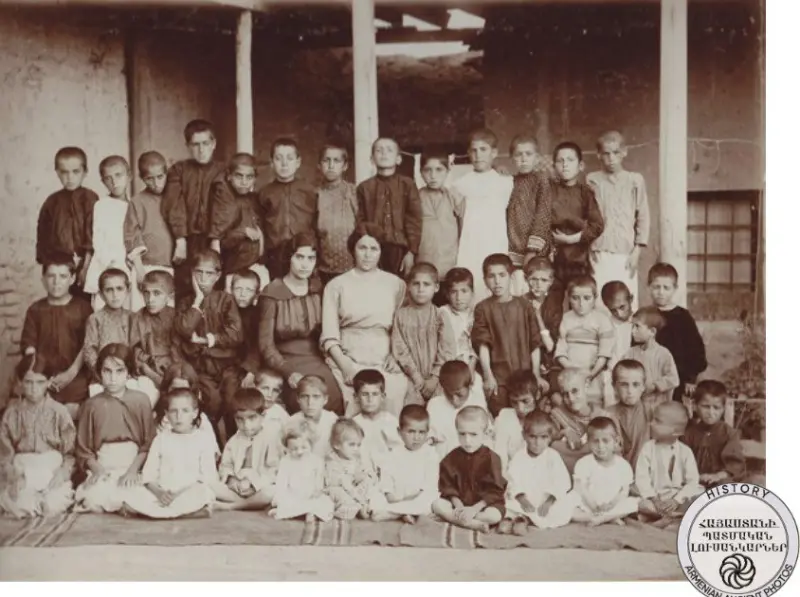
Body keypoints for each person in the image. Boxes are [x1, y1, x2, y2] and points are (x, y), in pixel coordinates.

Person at [321, 224, 409, 416]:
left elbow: (402, 328)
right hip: (349, 356)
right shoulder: (336, 285)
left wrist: (396, 356)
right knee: (356, 400)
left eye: (373, 249)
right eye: (362, 248)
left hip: (384, 357)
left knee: (393, 393)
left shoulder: (396, 284)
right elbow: (329, 335)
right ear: (353, 250)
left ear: (381, 251)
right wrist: (345, 365)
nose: (368, 254)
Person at [259, 233, 343, 415]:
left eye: (311, 258)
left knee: (333, 396)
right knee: (305, 398)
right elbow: (266, 345)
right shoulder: (272, 292)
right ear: (289, 258)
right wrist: (288, 372)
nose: (305, 264)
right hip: (284, 360)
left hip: (316, 357)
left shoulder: (318, 289)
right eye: (299, 257)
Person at [74, 344, 156, 513]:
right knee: (92, 496)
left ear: (128, 373)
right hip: (104, 466)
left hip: (132, 466)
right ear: (99, 372)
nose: (113, 378)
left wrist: (132, 471)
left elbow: (148, 444)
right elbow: (84, 450)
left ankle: (127, 503)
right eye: (107, 371)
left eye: (119, 371)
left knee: (140, 496)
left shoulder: (141, 401)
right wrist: (98, 470)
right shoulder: (91, 405)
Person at [174, 249, 243, 433]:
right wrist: (197, 301)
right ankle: (213, 445)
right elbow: (185, 329)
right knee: (211, 403)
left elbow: (236, 334)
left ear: (217, 276)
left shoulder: (226, 300)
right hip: (202, 368)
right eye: (199, 272)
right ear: (192, 273)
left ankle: (233, 443)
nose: (203, 279)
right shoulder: (186, 302)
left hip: (227, 366)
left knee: (232, 402)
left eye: (209, 273)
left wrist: (207, 340)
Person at [122, 388, 218, 519]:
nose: (179, 416)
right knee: (132, 492)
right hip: (161, 493)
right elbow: (149, 475)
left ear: (195, 413)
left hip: (188, 492)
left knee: (204, 493)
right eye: (173, 411)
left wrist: (179, 494)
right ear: (166, 414)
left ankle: (157, 513)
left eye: (185, 411)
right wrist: (159, 493)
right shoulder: (161, 439)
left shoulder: (203, 439)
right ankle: (183, 513)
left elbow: (208, 477)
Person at [0, 355, 76, 518]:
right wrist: (13, 476)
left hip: (51, 470)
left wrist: (62, 473)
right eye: (28, 382)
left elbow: (70, 454)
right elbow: (5, 454)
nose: (34, 388)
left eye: (40, 382)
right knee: (17, 501)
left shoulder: (59, 412)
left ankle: (43, 503)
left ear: (49, 382)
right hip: (22, 471)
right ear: (20, 382)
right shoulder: (12, 414)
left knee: (54, 503)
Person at [161, 119, 226, 301]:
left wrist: (216, 238)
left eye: (205, 143)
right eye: (195, 145)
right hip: (187, 239)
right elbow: (174, 204)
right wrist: (180, 239)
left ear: (214, 144)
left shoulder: (223, 171)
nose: (201, 150)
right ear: (188, 146)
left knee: (215, 288)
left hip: (216, 239)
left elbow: (224, 207)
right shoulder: (178, 170)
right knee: (186, 287)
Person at [21, 260, 94, 420]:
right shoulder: (35, 310)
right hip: (43, 377)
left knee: (70, 412)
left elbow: (88, 344)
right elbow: (29, 347)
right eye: (51, 276)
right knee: (40, 413)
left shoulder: (83, 308)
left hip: (75, 376)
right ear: (43, 279)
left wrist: (70, 373)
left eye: (62, 276)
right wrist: (40, 378)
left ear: (72, 279)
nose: (56, 282)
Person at [473, 253, 542, 417]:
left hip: (525, 375)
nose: (497, 281)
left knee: (528, 415)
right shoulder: (482, 308)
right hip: (499, 378)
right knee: (502, 414)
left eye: (502, 275)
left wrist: (536, 374)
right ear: (485, 280)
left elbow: (535, 343)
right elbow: (483, 344)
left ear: (511, 277)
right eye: (491, 276)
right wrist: (488, 375)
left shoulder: (524, 306)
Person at [587, 131, 650, 310]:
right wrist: (589, 247)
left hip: (626, 253)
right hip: (600, 251)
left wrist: (637, 251)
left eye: (615, 153)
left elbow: (643, 215)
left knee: (625, 302)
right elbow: (586, 215)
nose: (611, 159)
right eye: (606, 154)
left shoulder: (634, 180)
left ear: (624, 152)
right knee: (600, 302)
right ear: (599, 155)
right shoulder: (592, 180)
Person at [454, 128, 514, 301]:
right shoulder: (459, 184)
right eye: (474, 150)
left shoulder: (506, 182)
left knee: (497, 287)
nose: (478, 155)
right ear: (468, 153)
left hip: (496, 243)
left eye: (483, 149)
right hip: (470, 245)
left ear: (494, 152)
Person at [432, 406, 506, 533]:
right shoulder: (451, 457)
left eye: (473, 434)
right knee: (437, 505)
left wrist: (474, 510)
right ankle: (472, 524)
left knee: (494, 516)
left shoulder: (493, 459)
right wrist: (459, 507)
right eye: (462, 434)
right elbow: (448, 487)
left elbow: (495, 491)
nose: (467, 440)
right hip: (458, 504)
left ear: (485, 433)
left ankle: (456, 519)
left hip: (482, 506)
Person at [36, 146, 97, 300]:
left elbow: (94, 236)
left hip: (87, 266)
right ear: (57, 172)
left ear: (85, 172)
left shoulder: (90, 199)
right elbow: (43, 237)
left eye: (75, 172)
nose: (70, 177)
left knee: (85, 305)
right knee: (61, 305)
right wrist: (51, 269)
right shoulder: (52, 202)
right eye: (64, 172)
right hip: (60, 270)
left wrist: (86, 267)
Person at [355, 137, 422, 276]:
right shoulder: (364, 187)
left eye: (389, 150)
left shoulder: (407, 185)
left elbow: (414, 220)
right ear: (372, 159)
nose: (384, 153)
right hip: (372, 248)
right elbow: (360, 219)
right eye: (379, 150)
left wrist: (411, 252)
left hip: (400, 249)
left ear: (398, 159)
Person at [392, 262, 456, 405]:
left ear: (436, 287)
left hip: (438, 378)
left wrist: (435, 377)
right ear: (408, 286)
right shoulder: (401, 315)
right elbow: (400, 349)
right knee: (411, 409)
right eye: (416, 284)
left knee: (439, 407)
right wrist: (416, 378)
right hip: (410, 377)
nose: (421, 289)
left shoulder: (440, 315)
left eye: (426, 284)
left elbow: (447, 349)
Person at [548, 142, 604, 304]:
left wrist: (571, 239)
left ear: (580, 166)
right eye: (560, 161)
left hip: (578, 260)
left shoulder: (585, 193)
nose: (565, 165)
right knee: (551, 306)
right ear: (554, 166)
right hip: (552, 259)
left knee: (580, 304)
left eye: (570, 160)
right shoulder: (548, 190)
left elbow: (597, 225)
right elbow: (539, 219)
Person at [499, 411, 572, 534]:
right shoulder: (519, 456)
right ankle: (516, 519)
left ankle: (524, 519)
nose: (538, 443)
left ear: (550, 437)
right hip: (523, 498)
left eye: (543, 437)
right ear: (524, 435)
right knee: (507, 502)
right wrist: (522, 499)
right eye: (533, 437)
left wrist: (549, 502)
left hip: (545, 499)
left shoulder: (552, 456)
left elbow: (562, 481)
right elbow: (512, 481)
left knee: (565, 505)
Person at [258, 137, 317, 281]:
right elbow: (260, 225)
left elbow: (317, 222)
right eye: (279, 158)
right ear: (272, 163)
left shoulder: (310, 191)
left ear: (298, 162)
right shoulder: (264, 193)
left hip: (303, 253)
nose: (284, 163)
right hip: (275, 254)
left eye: (289, 158)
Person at [635, 402, 703, 527]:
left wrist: (676, 500)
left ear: (675, 431)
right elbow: (641, 478)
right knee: (638, 503)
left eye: (657, 421)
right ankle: (667, 517)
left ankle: (665, 517)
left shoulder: (685, 451)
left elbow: (692, 481)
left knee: (700, 496)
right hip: (654, 499)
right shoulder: (648, 448)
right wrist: (654, 499)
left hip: (677, 499)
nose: (651, 423)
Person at [369, 405, 440, 524]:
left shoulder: (430, 454)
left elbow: (429, 484)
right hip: (396, 496)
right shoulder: (393, 453)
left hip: (417, 496)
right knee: (375, 494)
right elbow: (386, 479)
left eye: (421, 432)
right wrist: (389, 494)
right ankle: (403, 512)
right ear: (399, 432)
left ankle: (393, 513)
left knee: (429, 500)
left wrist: (408, 498)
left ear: (427, 433)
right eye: (411, 432)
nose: (416, 437)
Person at [215, 388, 282, 511]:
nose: (246, 425)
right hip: (237, 488)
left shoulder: (271, 438)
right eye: (240, 419)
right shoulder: (233, 441)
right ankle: (248, 503)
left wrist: (254, 485)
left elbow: (274, 471)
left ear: (263, 416)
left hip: (259, 487)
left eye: (252, 418)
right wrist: (231, 480)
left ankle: (235, 505)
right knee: (212, 487)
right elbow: (225, 466)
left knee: (271, 492)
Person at [649, 263, 707, 402]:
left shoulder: (682, 316)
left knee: (673, 409)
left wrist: (690, 378)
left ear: (675, 289)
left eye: (666, 288)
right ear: (648, 287)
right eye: (656, 287)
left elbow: (695, 348)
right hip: (650, 377)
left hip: (677, 377)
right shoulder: (645, 314)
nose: (661, 292)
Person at [209, 153, 268, 290]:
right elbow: (221, 240)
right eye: (239, 176)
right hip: (236, 269)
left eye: (249, 177)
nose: (244, 181)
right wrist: (243, 232)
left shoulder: (254, 200)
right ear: (229, 176)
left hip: (256, 265)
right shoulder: (225, 200)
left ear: (255, 178)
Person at [554, 275, 614, 406]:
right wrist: (573, 371)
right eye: (575, 298)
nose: (581, 304)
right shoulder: (566, 319)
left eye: (587, 298)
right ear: (569, 298)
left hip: (593, 374)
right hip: (570, 373)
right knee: (571, 402)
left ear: (595, 298)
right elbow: (561, 351)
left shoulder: (602, 319)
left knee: (593, 404)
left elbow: (604, 353)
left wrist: (591, 374)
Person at [84, 155, 135, 311]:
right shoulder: (101, 206)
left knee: (129, 312)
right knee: (104, 311)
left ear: (129, 175)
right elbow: (98, 242)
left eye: (118, 175)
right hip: (107, 267)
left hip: (130, 268)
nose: (114, 182)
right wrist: (112, 264)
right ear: (103, 182)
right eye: (108, 178)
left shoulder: (134, 206)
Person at [124, 151, 174, 304]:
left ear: (166, 173)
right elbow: (131, 235)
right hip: (146, 267)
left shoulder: (175, 197)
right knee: (143, 308)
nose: (156, 183)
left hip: (172, 267)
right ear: (141, 178)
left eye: (160, 177)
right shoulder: (137, 201)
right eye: (149, 179)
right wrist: (140, 270)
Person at [568, 417, 639, 526]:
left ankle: (604, 518)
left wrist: (611, 505)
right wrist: (593, 506)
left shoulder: (623, 465)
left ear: (616, 441)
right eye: (595, 441)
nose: (600, 446)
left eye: (606, 441)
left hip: (613, 506)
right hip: (588, 506)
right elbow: (581, 489)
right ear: (588, 442)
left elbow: (623, 492)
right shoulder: (583, 463)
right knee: (568, 501)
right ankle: (602, 517)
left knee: (634, 502)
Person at [506, 134, 552, 296]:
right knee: (516, 291)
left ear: (537, 158)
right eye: (519, 155)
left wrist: (532, 250)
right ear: (512, 158)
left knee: (535, 291)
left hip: (534, 251)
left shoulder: (542, 181)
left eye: (528, 154)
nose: (524, 159)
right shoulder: (509, 182)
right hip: (513, 248)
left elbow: (543, 215)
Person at [416, 151, 465, 305]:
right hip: (424, 263)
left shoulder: (454, 196)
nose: (433, 175)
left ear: (447, 171)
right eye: (427, 170)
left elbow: (463, 228)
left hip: (449, 263)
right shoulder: (416, 197)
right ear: (421, 172)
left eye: (439, 170)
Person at [220, 269, 263, 436]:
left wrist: (251, 370)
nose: (243, 294)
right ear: (231, 290)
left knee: (234, 398)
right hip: (225, 363)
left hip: (244, 366)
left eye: (249, 290)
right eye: (238, 289)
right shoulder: (224, 312)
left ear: (256, 294)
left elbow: (257, 345)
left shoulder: (256, 315)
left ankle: (239, 435)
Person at [681, 380, 746, 488]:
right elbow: (682, 462)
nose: (711, 413)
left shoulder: (729, 434)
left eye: (716, 408)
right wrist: (696, 477)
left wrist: (718, 476)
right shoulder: (688, 434)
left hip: (720, 481)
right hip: (695, 480)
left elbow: (735, 465)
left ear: (723, 409)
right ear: (695, 406)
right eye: (706, 406)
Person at [550, 368, 616, 472]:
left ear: (586, 385)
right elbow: (548, 445)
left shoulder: (605, 416)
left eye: (575, 391)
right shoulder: (557, 414)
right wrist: (564, 432)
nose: (571, 398)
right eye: (565, 394)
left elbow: (615, 450)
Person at [129, 270, 180, 397]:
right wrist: (149, 372)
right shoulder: (138, 318)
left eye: (157, 293)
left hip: (173, 370)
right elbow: (135, 351)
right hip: (147, 371)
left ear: (170, 296)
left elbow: (179, 355)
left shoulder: (176, 317)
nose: (150, 299)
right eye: (146, 293)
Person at [623, 306, 680, 420]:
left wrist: (655, 385)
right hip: (636, 407)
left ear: (652, 332)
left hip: (657, 406)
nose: (633, 331)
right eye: (632, 326)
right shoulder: (631, 353)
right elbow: (622, 371)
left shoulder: (663, 354)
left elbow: (674, 379)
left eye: (637, 327)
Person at [82, 268, 133, 395]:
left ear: (128, 290)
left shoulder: (133, 317)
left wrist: (130, 372)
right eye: (109, 290)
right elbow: (89, 351)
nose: (115, 295)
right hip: (103, 377)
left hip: (128, 375)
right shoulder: (95, 319)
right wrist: (102, 375)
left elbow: (137, 347)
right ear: (101, 294)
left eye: (119, 289)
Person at [268, 426, 334, 522]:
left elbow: (319, 481)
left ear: (311, 445)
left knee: (325, 502)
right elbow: (281, 483)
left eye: (304, 447)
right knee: (285, 502)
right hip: (293, 495)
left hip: (310, 495)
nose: (299, 451)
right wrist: (281, 498)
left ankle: (307, 512)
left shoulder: (316, 461)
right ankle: (297, 512)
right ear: (287, 448)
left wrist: (317, 491)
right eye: (294, 449)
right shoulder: (286, 461)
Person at [427, 360, 489, 459]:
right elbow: (429, 440)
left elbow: (486, 436)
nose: (454, 400)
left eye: (460, 395)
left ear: (470, 386)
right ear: (442, 388)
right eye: (449, 394)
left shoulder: (477, 402)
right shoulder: (434, 405)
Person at [316, 143, 357, 285]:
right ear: (319, 165)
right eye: (326, 160)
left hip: (352, 265)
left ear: (345, 166)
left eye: (336, 161)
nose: (331, 165)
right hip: (324, 267)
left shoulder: (353, 193)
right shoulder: (315, 195)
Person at [438, 267, 483, 395]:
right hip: (447, 365)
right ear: (447, 294)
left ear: (472, 293)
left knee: (476, 388)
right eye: (454, 292)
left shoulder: (475, 315)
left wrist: (471, 367)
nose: (459, 297)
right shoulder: (442, 312)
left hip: (469, 366)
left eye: (464, 291)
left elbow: (475, 345)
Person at [324, 418, 379, 520]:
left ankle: (367, 507)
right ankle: (358, 508)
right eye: (351, 445)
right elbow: (343, 484)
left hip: (357, 492)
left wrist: (365, 476)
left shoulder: (357, 459)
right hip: (344, 492)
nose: (356, 449)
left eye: (358, 445)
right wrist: (360, 500)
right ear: (337, 445)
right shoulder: (332, 462)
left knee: (372, 487)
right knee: (338, 494)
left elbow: (370, 472)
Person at [523, 257, 562, 394]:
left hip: (548, 359)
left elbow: (550, 346)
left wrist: (538, 315)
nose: (538, 284)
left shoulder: (554, 305)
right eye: (534, 279)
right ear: (526, 279)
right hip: (526, 358)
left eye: (544, 280)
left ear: (551, 282)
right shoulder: (520, 302)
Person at [350, 369, 403, 472]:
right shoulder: (353, 425)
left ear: (383, 397)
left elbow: (399, 452)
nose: (370, 399)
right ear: (356, 397)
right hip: (362, 473)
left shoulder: (391, 421)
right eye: (365, 394)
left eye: (375, 394)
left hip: (388, 472)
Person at [492, 370, 539, 473]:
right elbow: (500, 453)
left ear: (537, 395)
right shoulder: (505, 417)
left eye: (525, 401)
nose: (520, 408)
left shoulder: (543, 419)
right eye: (514, 402)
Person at [608, 360, 650, 468]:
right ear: (614, 386)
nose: (630, 391)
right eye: (624, 385)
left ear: (643, 386)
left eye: (635, 384)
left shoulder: (653, 414)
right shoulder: (607, 415)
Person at [284, 375, 338, 458]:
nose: (310, 403)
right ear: (298, 399)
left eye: (316, 397)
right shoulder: (291, 422)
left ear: (325, 399)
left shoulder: (333, 420)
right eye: (304, 397)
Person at [600, 281, 634, 406]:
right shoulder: (605, 325)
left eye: (622, 307)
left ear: (631, 299)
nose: (619, 314)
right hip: (612, 377)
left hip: (635, 375)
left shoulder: (640, 321)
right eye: (613, 310)